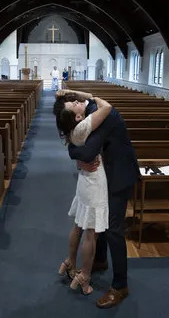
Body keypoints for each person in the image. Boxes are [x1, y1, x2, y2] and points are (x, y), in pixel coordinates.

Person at [53, 89, 140, 309]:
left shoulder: (103, 114)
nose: (76, 101)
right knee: (99, 220)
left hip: (119, 174)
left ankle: (120, 286)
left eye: (75, 100)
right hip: (107, 173)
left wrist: (78, 158)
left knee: (112, 228)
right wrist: (78, 158)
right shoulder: (94, 111)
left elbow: (86, 150)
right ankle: (100, 259)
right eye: (72, 102)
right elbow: (77, 145)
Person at [56, 94, 112, 295]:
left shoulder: (73, 130)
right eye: (75, 105)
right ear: (77, 118)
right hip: (94, 181)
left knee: (79, 225)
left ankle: (70, 262)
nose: (79, 103)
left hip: (84, 180)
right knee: (91, 233)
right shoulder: (83, 126)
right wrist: (92, 97)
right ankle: (85, 276)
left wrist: (76, 101)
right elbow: (106, 107)